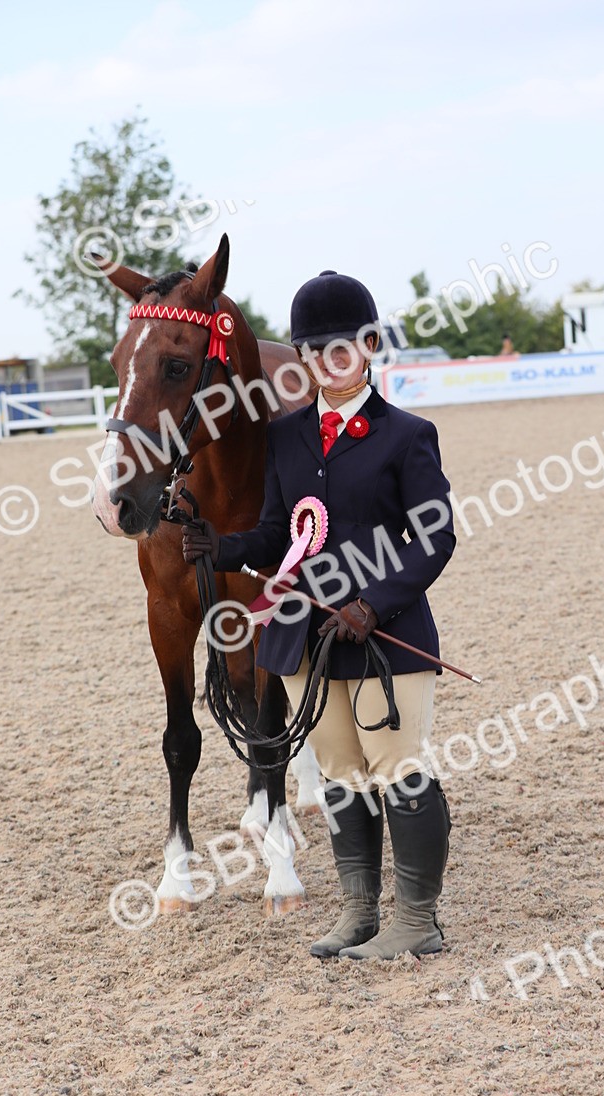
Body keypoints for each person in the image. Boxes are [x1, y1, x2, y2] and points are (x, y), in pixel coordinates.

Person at [182, 270, 455, 961]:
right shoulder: (290, 438)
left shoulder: (407, 435)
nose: (324, 363)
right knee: (339, 771)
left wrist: (373, 603)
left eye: (339, 349)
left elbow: (435, 535)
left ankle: (418, 921)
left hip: (386, 634)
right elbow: (279, 534)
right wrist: (224, 546)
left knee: (396, 765)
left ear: (368, 346)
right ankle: (360, 912)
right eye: (311, 351)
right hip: (307, 634)